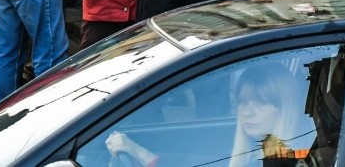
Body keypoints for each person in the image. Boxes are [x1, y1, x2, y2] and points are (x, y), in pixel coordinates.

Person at [106, 64, 308, 167]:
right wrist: (142, 154)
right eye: (243, 101)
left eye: (261, 102)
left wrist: (142, 155)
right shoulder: (262, 154)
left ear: (284, 107)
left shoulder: (284, 161)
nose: (248, 111)